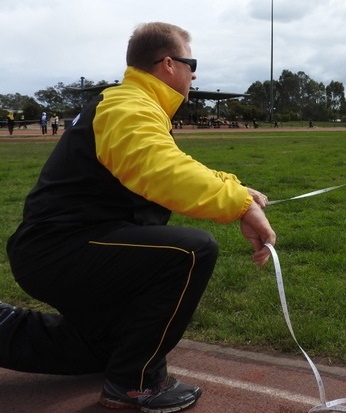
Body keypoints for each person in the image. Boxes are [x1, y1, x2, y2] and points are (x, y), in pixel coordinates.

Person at [1, 22, 277, 412]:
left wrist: (232, 187)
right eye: (190, 63)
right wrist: (239, 205)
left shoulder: (133, 104)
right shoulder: (127, 104)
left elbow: (165, 161)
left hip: (64, 247)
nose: (194, 74)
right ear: (168, 64)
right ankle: (135, 384)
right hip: (61, 249)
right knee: (191, 252)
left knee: (105, 349)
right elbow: (157, 167)